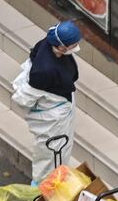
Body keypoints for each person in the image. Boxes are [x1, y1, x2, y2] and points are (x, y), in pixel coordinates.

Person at [11, 20, 81, 184]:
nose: (77, 47)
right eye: (74, 44)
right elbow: (25, 98)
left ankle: (55, 182)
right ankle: (42, 190)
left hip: (59, 105)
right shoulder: (43, 71)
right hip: (52, 114)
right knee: (51, 155)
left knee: (60, 151)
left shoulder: (47, 45)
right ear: (62, 47)